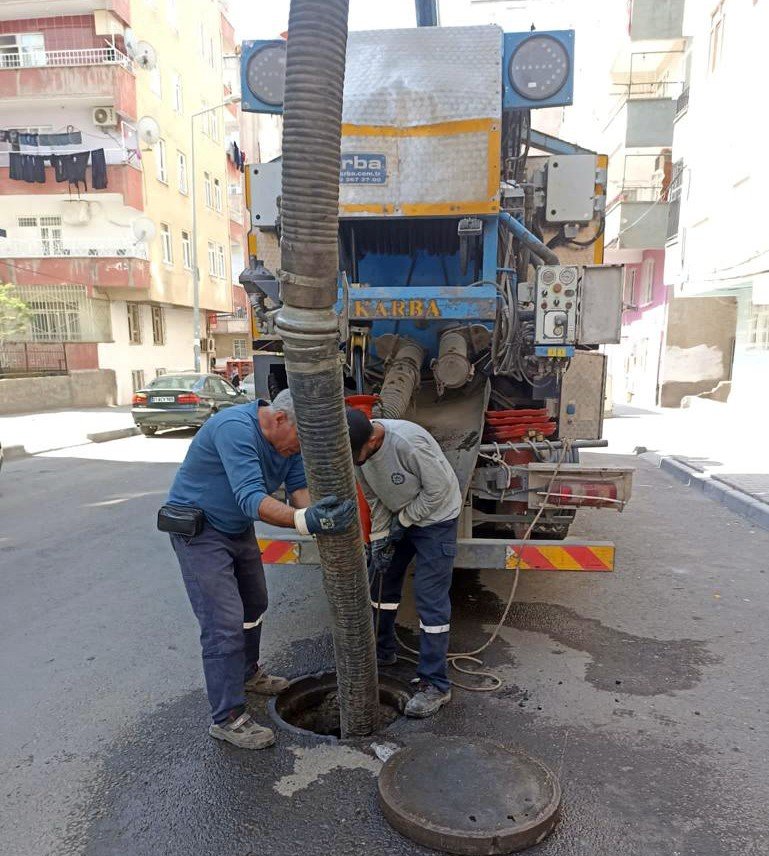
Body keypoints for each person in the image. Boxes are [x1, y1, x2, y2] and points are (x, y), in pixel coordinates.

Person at [165, 390, 355, 749]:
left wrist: (319, 514)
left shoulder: (289, 443)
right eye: (298, 441)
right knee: (223, 623)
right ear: (280, 419)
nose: (297, 450)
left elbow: (299, 489)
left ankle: (247, 673)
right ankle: (227, 718)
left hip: (235, 528)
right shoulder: (234, 429)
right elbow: (251, 498)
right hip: (199, 531)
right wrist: (306, 521)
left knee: (254, 604)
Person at [346, 408, 462, 718]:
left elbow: (438, 490)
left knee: (430, 598)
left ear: (372, 439)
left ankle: (435, 684)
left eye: (360, 454)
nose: (359, 461)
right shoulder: (357, 453)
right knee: (380, 581)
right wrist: (382, 536)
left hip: (436, 518)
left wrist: (406, 520)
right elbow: (374, 498)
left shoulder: (407, 443)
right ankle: (381, 653)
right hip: (400, 515)